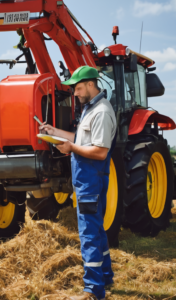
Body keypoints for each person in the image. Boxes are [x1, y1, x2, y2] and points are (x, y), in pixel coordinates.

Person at [39, 66, 116, 300]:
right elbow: (81, 139)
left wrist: (71, 148)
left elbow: (100, 152)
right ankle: (105, 277)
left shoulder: (101, 111)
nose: (75, 93)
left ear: (91, 85)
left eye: (78, 88)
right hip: (87, 181)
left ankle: (93, 290)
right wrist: (56, 132)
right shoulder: (91, 109)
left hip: (91, 181)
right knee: (97, 231)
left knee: (89, 234)